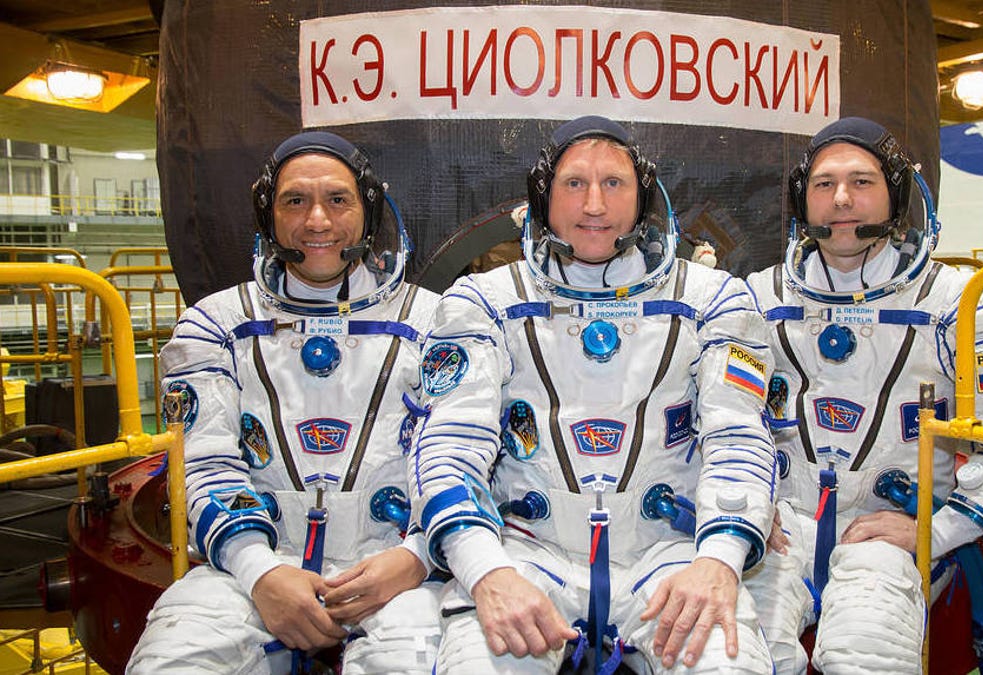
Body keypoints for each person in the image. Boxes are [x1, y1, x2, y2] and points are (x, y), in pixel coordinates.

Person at [409, 115, 776, 674]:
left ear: (643, 197)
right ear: (543, 198)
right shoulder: (482, 301)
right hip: (528, 555)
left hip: (668, 557)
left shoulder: (713, 299)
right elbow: (449, 447)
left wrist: (719, 560)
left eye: (614, 184)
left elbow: (739, 437)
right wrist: (487, 571)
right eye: (574, 184)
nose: (595, 205)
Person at [744, 117, 983, 674]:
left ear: (897, 193)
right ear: (802, 199)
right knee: (736, 654)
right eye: (824, 185)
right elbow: (714, 422)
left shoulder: (963, 307)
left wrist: (937, 529)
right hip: (782, 530)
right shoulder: (756, 299)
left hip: (894, 537)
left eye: (862, 182)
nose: (842, 199)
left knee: (865, 653)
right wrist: (748, 511)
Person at [128, 131, 442, 674]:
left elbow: (471, 459)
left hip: (397, 572)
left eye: (338, 200)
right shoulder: (215, 324)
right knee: (172, 661)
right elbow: (202, 465)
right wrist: (260, 571)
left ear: (369, 210)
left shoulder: (437, 322)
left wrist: (416, 558)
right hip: (251, 570)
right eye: (295, 201)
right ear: (268, 215)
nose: (317, 221)